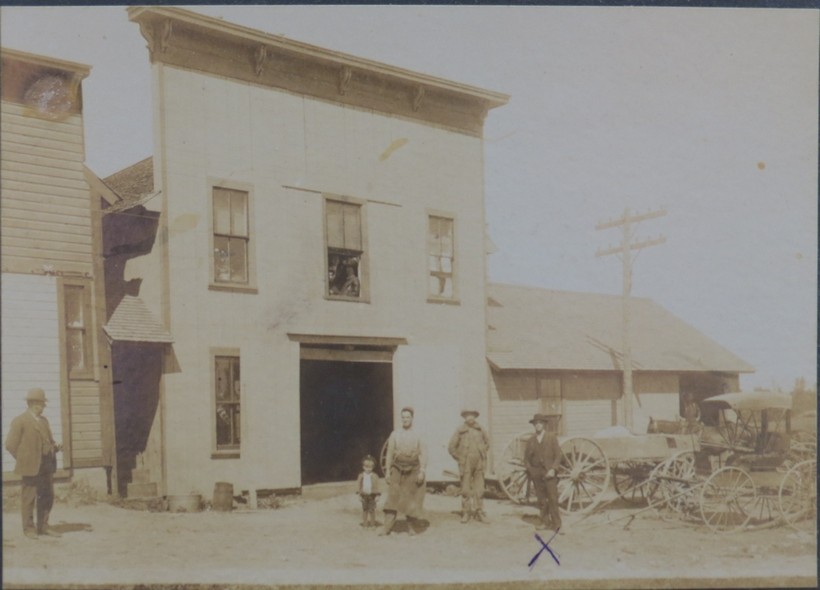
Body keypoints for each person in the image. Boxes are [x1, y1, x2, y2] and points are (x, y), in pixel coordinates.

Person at [5, 388, 62, 539]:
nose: (42, 406)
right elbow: (10, 444)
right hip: (30, 467)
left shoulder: (44, 421)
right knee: (29, 497)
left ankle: (43, 526)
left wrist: (54, 447)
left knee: (47, 496)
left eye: (43, 403)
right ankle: (29, 529)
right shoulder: (20, 421)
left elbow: (48, 441)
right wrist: (23, 459)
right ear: (31, 403)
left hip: (46, 466)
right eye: (39, 403)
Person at [380, 407, 426, 536]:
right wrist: (388, 471)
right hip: (397, 468)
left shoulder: (418, 434)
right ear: (401, 418)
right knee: (392, 496)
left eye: (408, 417)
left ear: (412, 418)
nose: (405, 419)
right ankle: (387, 527)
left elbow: (424, 453)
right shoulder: (395, 434)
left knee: (411, 497)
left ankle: (411, 527)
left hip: (413, 469)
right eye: (403, 417)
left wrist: (422, 471)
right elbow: (389, 453)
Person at [448, 409, 490, 524]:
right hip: (465, 463)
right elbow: (451, 447)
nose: (470, 418)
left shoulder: (480, 429)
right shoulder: (460, 431)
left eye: (472, 415)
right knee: (465, 488)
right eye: (467, 416)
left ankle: (479, 511)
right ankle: (466, 512)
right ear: (464, 418)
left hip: (479, 463)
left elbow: (487, 442)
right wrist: (460, 458)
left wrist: (482, 451)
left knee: (479, 489)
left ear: (475, 417)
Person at [523, 413, 562, 532]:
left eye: (540, 423)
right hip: (537, 475)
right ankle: (545, 522)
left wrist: (553, 469)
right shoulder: (531, 440)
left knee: (553, 498)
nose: (538, 425)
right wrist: (532, 471)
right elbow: (526, 459)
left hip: (549, 473)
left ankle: (557, 524)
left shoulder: (551, 438)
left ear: (544, 425)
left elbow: (558, 455)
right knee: (541, 500)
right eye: (536, 424)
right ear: (534, 426)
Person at [356, 455, 382, 528]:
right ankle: (365, 524)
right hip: (364, 495)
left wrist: (378, 495)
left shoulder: (375, 476)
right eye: (366, 467)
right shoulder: (361, 476)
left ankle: (373, 524)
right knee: (365, 509)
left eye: (370, 467)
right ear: (363, 467)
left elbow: (377, 486)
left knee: (372, 510)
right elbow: (358, 485)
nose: (368, 469)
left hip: (372, 495)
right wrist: (359, 495)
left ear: (373, 467)